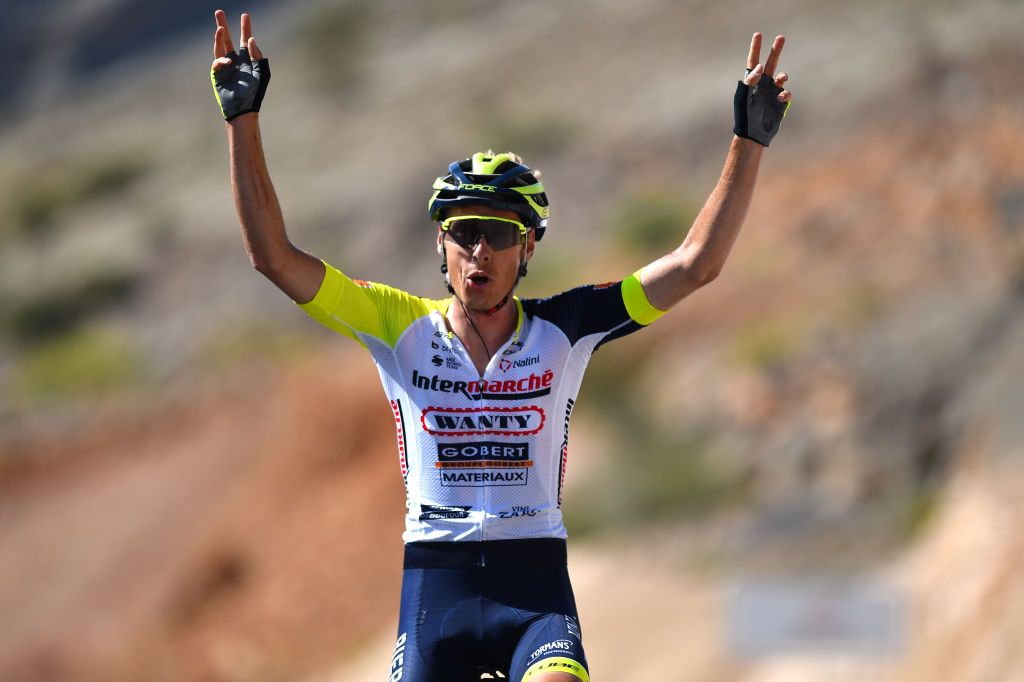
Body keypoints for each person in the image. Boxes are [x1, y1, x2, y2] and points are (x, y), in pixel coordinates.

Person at [211, 9, 792, 681]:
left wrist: (749, 140)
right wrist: (242, 119)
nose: (479, 251)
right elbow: (273, 257)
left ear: (530, 247)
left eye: (499, 233)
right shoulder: (396, 325)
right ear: (441, 245)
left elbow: (696, 265)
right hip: (436, 594)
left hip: (535, 594)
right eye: (463, 233)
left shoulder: (567, 327)